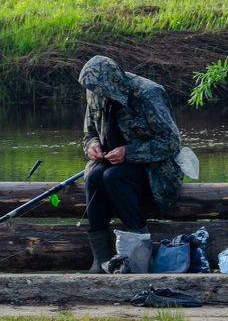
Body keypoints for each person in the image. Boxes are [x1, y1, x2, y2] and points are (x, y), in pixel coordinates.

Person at [78, 55, 183, 273]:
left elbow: (171, 142)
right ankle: (101, 259)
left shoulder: (148, 93)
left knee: (113, 176)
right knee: (94, 177)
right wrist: (92, 146)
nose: (98, 95)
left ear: (113, 83)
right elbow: (89, 134)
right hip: (112, 165)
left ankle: (139, 253)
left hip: (154, 171)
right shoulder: (94, 91)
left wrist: (129, 153)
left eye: (103, 91)